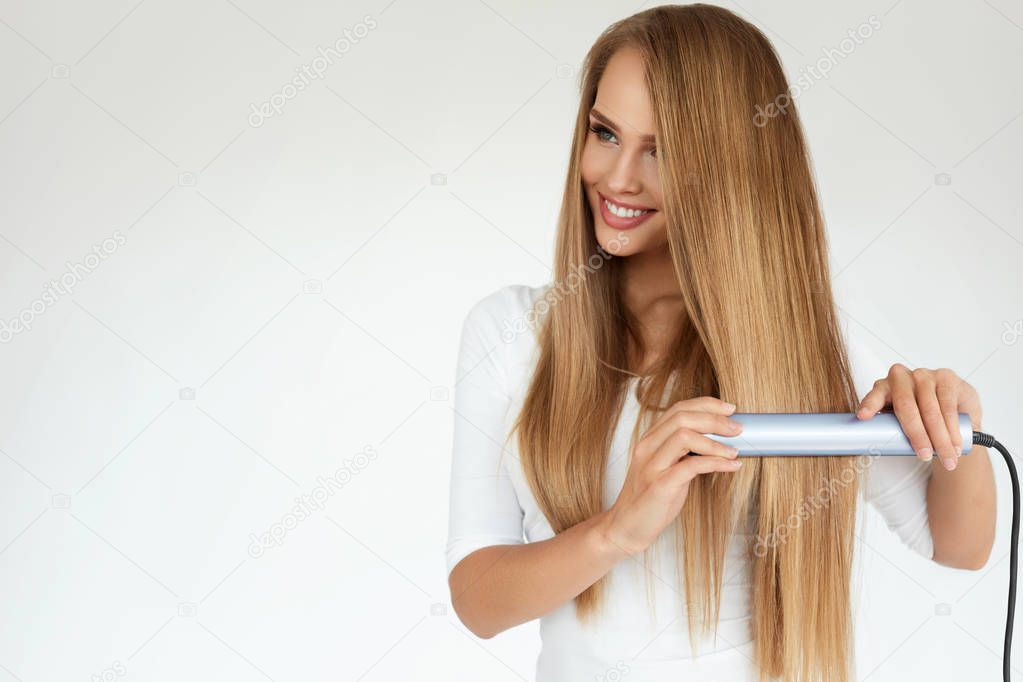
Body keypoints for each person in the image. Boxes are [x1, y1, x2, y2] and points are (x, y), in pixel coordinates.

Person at [445, 5, 995, 681]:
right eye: (604, 133)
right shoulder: (509, 333)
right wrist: (616, 530)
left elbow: (959, 546)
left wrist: (954, 425)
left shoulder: (803, 342)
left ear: (733, 166)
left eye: (662, 149)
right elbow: (477, 601)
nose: (617, 179)